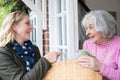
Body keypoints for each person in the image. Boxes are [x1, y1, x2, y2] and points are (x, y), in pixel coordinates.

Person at [0, 11, 61, 80]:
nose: (32, 27)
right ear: (14, 26)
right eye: (27, 23)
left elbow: (40, 76)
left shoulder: (34, 49)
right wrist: (46, 60)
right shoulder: (3, 54)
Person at [77, 10, 120, 80]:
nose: (87, 33)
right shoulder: (87, 44)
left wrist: (100, 67)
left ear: (104, 27)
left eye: (91, 27)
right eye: (86, 29)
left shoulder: (118, 45)